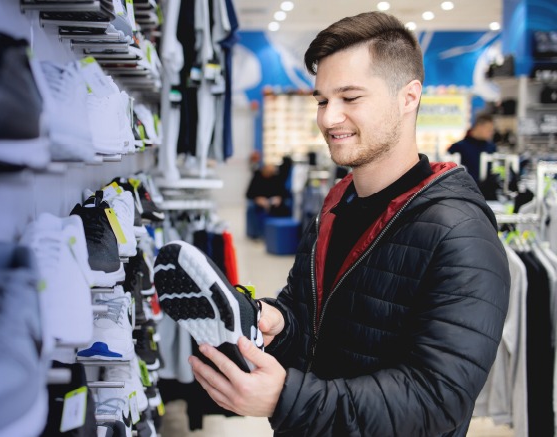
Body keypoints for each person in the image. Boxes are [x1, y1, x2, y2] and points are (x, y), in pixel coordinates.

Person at [187, 11, 510, 436]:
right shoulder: (337, 203)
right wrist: (279, 323)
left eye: (350, 98)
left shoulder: (461, 233)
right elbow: (311, 316)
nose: (327, 118)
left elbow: (436, 402)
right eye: (322, 100)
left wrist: (286, 398)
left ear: (408, 97)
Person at [447, 113, 497, 183]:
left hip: (486, 191)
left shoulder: (491, 148)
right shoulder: (458, 147)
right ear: (479, 127)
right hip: (463, 189)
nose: (491, 133)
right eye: (489, 129)